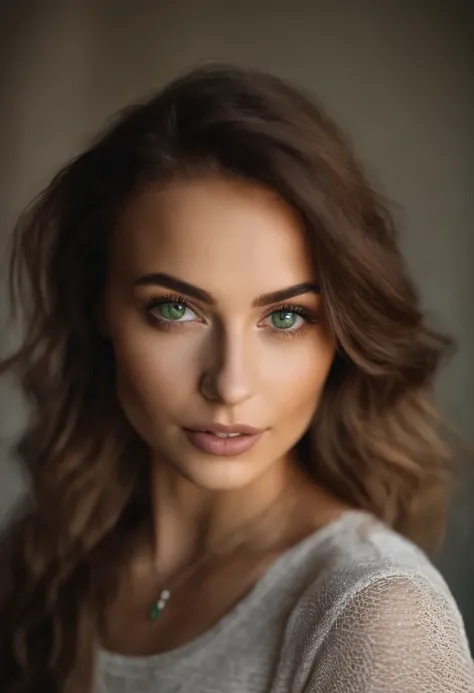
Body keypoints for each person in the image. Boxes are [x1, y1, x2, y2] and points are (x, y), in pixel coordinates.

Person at [0, 62, 473, 693]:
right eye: (175, 309)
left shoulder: (376, 618)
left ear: (342, 333)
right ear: (98, 305)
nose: (229, 385)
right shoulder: (47, 557)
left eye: (285, 316)